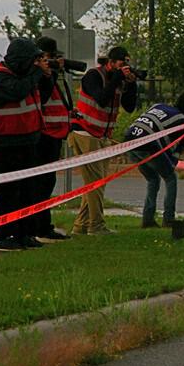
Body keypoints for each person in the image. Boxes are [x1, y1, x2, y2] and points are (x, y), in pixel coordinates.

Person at [0, 37, 51, 251]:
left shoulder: (28, 76)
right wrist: (36, 72)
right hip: (6, 143)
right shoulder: (1, 76)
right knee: (9, 191)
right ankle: (5, 235)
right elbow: (17, 91)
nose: (35, 64)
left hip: (28, 140)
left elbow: (44, 95)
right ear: (21, 60)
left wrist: (47, 75)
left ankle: (25, 233)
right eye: (32, 60)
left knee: (28, 190)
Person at [69, 46, 137, 236]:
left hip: (101, 136)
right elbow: (101, 99)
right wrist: (116, 79)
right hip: (85, 133)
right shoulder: (93, 76)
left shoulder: (118, 81)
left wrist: (131, 84)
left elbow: (130, 107)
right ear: (111, 62)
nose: (125, 68)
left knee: (96, 184)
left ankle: (81, 225)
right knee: (96, 183)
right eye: (122, 64)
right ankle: (96, 226)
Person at [125, 93, 184, 228]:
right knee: (170, 178)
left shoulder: (159, 106)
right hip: (148, 146)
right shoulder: (181, 120)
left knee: (153, 179)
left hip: (128, 143)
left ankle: (147, 220)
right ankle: (168, 219)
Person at [32, 37, 73, 243]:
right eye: (50, 57)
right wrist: (49, 73)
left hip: (55, 134)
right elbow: (44, 97)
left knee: (48, 183)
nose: (54, 61)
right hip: (43, 134)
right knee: (40, 184)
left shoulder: (51, 75)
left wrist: (56, 72)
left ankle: (44, 225)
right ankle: (38, 226)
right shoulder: (37, 75)